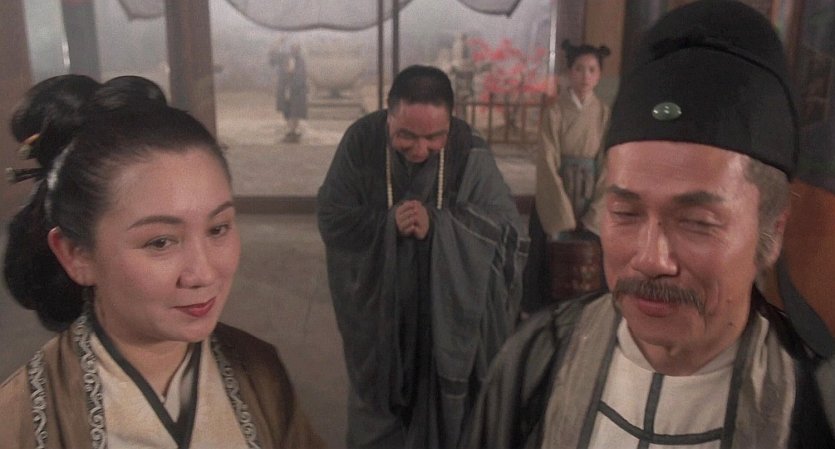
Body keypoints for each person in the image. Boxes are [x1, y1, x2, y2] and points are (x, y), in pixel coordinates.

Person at [461, 1, 835, 448]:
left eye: (696, 221)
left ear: (772, 232)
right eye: (625, 213)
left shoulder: (816, 405)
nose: (650, 259)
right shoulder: (534, 360)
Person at [0, 75, 324, 448]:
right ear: (77, 255)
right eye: (160, 242)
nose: (203, 273)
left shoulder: (260, 372)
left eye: (218, 229)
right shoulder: (19, 422)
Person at [317, 65, 527, 449]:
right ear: (389, 112)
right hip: (381, 312)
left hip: (444, 314)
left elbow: (510, 233)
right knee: (376, 413)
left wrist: (442, 226)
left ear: (450, 121)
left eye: (434, 138)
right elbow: (332, 218)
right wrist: (388, 224)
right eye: (407, 136)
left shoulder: (469, 150)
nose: (420, 149)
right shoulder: (361, 141)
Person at [523, 40, 611, 313]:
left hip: (591, 194)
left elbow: (608, 164)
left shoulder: (604, 114)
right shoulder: (555, 112)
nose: (585, 76)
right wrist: (561, 213)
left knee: (591, 271)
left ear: (599, 75)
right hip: (558, 193)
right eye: (579, 69)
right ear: (569, 72)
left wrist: (596, 211)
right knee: (549, 270)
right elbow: (547, 162)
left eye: (592, 70)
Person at [271, 41, 308, 143]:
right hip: (286, 91)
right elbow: (272, 58)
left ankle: (292, 131)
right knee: (287, 112)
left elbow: (301, 76)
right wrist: (278, 42)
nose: (294, 50)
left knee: (295, 113)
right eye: (293, 48)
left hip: (296, 91)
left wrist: (292, 74)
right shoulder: (284, 58)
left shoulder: (300, 61)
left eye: (296, 48)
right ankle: (291, 131)